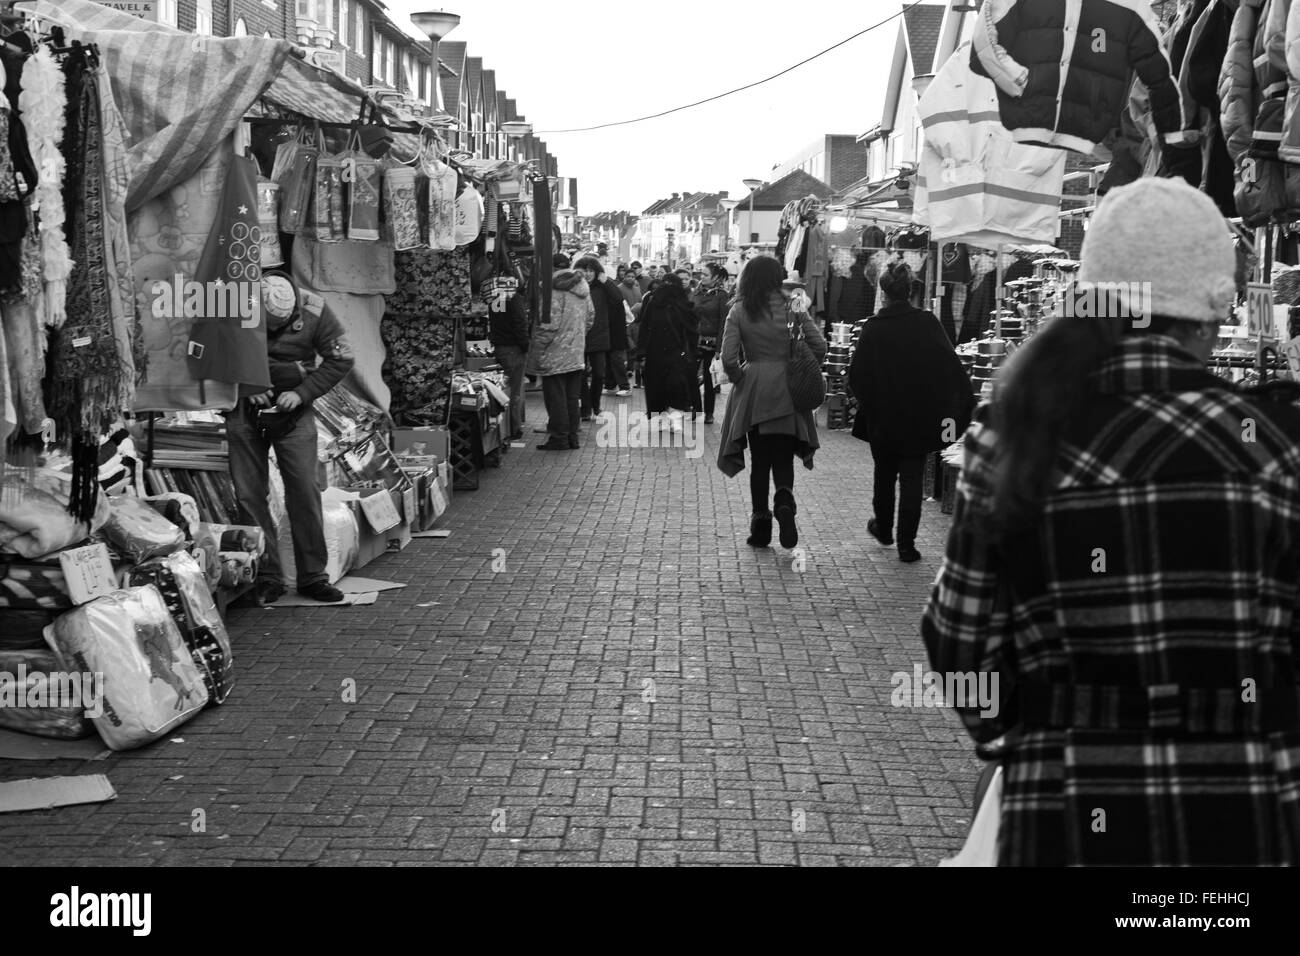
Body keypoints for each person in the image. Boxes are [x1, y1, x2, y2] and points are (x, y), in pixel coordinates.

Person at [922, 177, 1300, 866]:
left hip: (1062, 815)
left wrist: (1025, 731)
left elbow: (959, 644)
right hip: (1242, 820)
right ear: (1209, 310)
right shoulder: (1273, 444)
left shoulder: (1013, 437)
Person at [225, 274, 354, 605]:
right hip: (243, 408)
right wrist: (245, 383)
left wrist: (303, 393)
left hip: (295, 409)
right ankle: (266, 575)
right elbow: (207, 352)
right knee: (249, 494)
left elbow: (341, 357)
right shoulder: (231, 302)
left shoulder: (316, 309)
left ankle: (313, 576)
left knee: (304, 489)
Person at [849, 260, 974, 563]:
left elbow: (857, 377)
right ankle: (907, 544)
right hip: (918, 417)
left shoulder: (873, 328)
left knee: (884, 475)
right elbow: (951, 368)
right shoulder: (927, 323)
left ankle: (883, 528)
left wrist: (871, 404)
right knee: (912, 479)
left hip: (884, 419)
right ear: (910, 290)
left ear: (883, 292)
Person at [717, 256, 826, 549]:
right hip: (789, 390)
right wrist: (800, 367)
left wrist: (742, 378)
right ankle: (784, 501)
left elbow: (728, 358)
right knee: (783, 455)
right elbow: (820, 345)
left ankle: (761, 528)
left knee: (760, 463)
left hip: (755, 393)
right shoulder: (794, 305)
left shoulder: (739, 310)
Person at [528, 254, 593, 450]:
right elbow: (590, 319)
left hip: (554, 352)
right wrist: (576, 337)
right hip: (576, 351)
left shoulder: (553, 289)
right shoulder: (582, 289)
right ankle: (572, 436)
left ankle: (559, 437)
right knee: (572, 398)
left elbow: (547, 324)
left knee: (556, 398)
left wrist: (537, 349)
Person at [637, 271, 698, 433]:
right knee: (659, 386)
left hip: (674, 352)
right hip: (656, 352)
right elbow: (645, 326)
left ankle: (674, 416)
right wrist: (641, 352)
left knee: (675, 384)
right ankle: (662, 418)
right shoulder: (653, 302)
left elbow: (691, 329)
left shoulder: (682, 303)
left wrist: (690, 351)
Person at [487, 280, 531, 442]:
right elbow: (520, 324)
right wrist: (526, 345)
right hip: (514, 348)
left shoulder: (493, 298)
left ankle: (504, 428)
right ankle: (514, 428)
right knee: (515, 390)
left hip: (500, 347)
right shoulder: (514, 299)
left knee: (502, 388)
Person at [574, 256, 616, 422]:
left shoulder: (602, 288)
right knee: (581, 375)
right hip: (580, 335)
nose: (588, 273)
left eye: (591, 270)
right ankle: (586, 407)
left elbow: (618, 299)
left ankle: (595, 405)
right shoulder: (575, 286)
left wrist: (606, 282)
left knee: (599, 374)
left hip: (599, 336)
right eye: (585, 270)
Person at [690, 263, 730, 424]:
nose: (702, 277)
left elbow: (723, 323)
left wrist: (720, 348)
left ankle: (709, 412)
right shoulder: (696, 292)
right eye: (702, 274)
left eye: (706, 275)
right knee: (690, 376)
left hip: (712, 344)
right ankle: (696, 408)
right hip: (694, 341)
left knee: (709, 380)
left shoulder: (722, 295)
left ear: (715, 277)